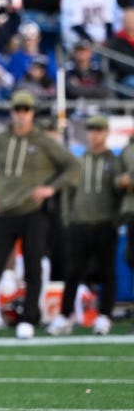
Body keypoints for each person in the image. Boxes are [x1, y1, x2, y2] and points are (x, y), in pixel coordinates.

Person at [0, 90, 80, 340]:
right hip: (5, 212)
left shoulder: (43, 141)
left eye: (26, 110)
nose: (21, 115)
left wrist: (51, 188)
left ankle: (29, 319)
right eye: (17, 109)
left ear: (32, 113)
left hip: (33, 212)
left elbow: (73, 166)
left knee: (33, 267)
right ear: (12, 112)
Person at [48, 116, 123, 336]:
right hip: (79, 224)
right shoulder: (79, 160)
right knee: (73, 272)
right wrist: (68, 219)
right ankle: (65, 315)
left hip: (105, 223)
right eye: (91, 130)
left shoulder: (114, 161)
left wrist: (115, 219)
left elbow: (119, 192)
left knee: (107, 272)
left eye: (99, 130)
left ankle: (105, 315)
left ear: (106, 133)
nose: (94, 134)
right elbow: (68, 192)